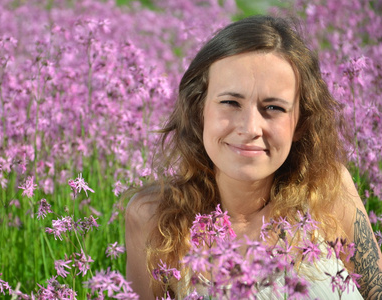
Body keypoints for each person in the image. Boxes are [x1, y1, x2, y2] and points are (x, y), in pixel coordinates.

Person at [125, 15, 382, 299]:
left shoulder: (329, 191)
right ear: (199, 110)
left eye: (272, 107)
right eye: (230, 103)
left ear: (301, 123)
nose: (249, 128)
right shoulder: (152, 218)